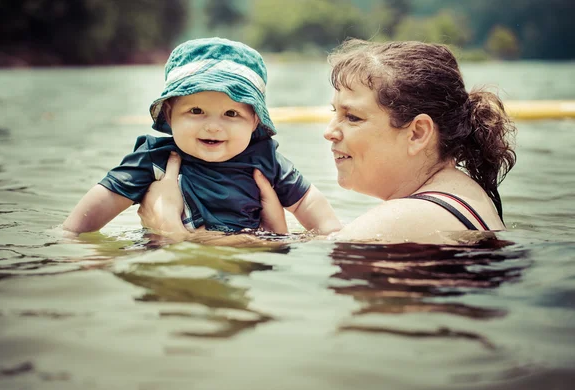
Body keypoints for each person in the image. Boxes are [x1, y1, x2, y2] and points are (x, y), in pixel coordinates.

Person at [137, 39, 517, 244]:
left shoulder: (396, 222)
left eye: (352, 117)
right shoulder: (458, 198)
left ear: (417, 133)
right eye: (333, 113)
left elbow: (312, 274)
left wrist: (169, 231)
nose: (330, 130)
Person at [62, 37, 341, 236]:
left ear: (254, 119)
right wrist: (70, 234)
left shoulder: (265, 160)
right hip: (170, 256)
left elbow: (307, 202)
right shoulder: (156, 159)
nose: (213, 127)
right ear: (170, 114)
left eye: (231, 114)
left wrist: (332, 234)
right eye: (196, 111)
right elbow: (106, 196)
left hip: (246, 255)